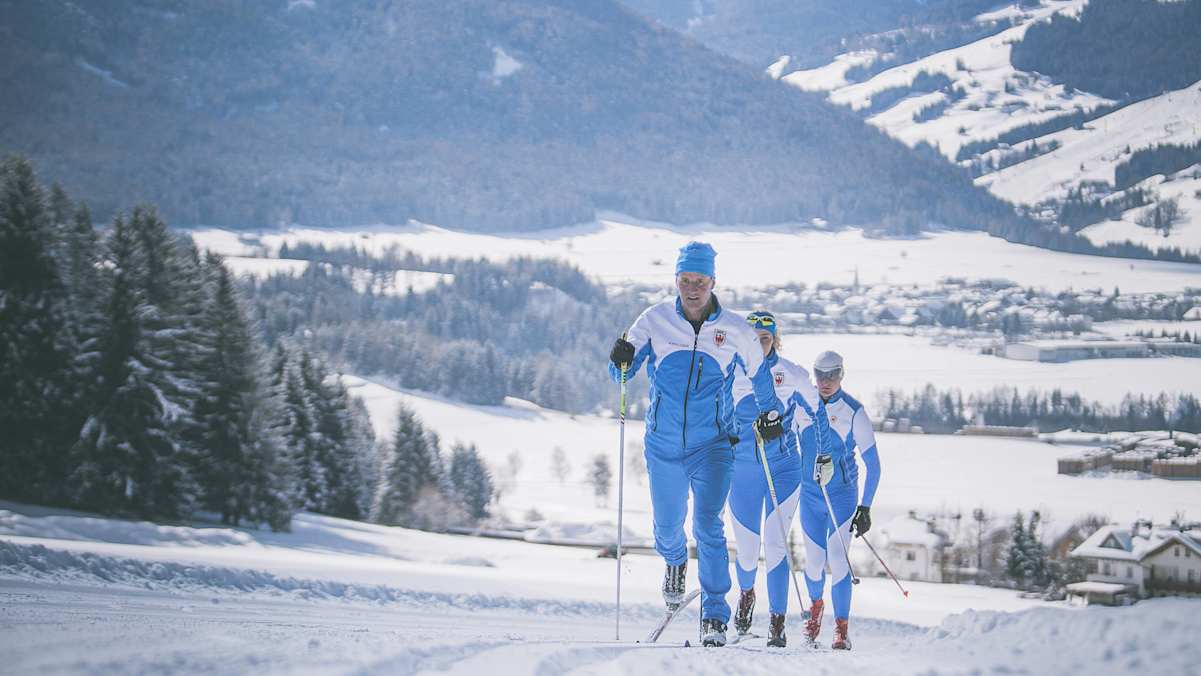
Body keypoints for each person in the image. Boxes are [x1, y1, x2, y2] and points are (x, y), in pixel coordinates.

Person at [608, 241, 782, 647]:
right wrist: (618, 357)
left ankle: (715, 615)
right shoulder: (654, 320)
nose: (692, 288)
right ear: (676, 280)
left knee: (708, 525)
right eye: (685, 280)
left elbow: (759, 376)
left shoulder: (737, 330)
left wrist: (770, 413)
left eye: (699, 281)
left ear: (712, 282)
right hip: (663, 444)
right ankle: (673, 563)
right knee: (667, 528)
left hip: (714, 446)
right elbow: (623, 371)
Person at [727, 310, 816, 647]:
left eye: (765, 339)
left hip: (783, 470)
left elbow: (814, 419)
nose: (758, 345)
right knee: (748, 553)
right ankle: (747, 594)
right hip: (744, 472)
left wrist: (813, 454)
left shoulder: (792, 375)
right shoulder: (730, 373)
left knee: (776, 544)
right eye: (753, 339)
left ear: (775, 339)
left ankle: (777, 621)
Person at [797, 349, 881, 651]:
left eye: (832, 375)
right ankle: (815, 609)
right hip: (810, 495)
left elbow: (875, 465)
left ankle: (841, 629)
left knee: (837, 558)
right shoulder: (801, 405)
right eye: (820, 375)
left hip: (841, 497)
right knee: (814, 564)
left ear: (841, 375)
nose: (825, 381)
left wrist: (866, 507)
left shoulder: (853, 411)